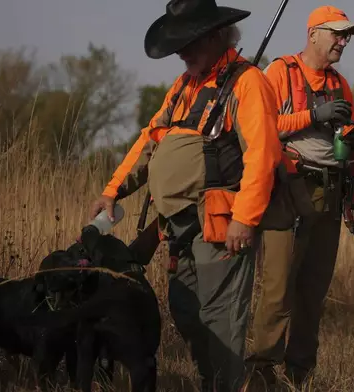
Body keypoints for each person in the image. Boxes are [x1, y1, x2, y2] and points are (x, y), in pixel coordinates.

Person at [86, 0, 285, 390]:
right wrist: (114, 191)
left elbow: (263, 156)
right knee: (185, 309)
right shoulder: (184, 85)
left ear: (215, 36)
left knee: (220, 317)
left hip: (221, 224)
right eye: (178, 43)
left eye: (188, 42)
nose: (181, 51)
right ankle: (213, 380)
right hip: (176, 229)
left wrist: (244, 219)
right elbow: (150, 139)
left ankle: (224, 385)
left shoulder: (248, 82)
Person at [244, 5, 354, 390]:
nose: (343, 42)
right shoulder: (279, 72)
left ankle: (299, 375)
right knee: (278, 288)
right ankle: (261, 373)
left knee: (313, 290)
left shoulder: (341, 84)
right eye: (337, 34)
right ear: (313, 34)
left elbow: (351, 134)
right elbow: (260, 126)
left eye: (347, 36)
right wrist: (314, 115)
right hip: (289, 192)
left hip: (330, 195)